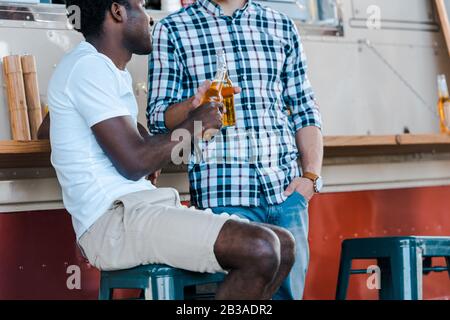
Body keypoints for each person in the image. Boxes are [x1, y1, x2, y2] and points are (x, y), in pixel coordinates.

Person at [42, 0, 296, 300]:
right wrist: (194, 125)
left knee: (283, 244)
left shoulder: (100, 69)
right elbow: (134, 163)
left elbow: (48, 126)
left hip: (140, 209)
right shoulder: (88, 66)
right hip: (113, 220)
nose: (150, 20)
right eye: (141, 6)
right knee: (261, 248)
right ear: (118, 11)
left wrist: (142, 135)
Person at [147, 0, 323, 300]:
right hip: (224, 195)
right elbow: (158, 118)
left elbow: (305, 111)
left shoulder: (281, 25)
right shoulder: (172, 28)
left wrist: (310, 178)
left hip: (288, 194)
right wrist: (193, 105)